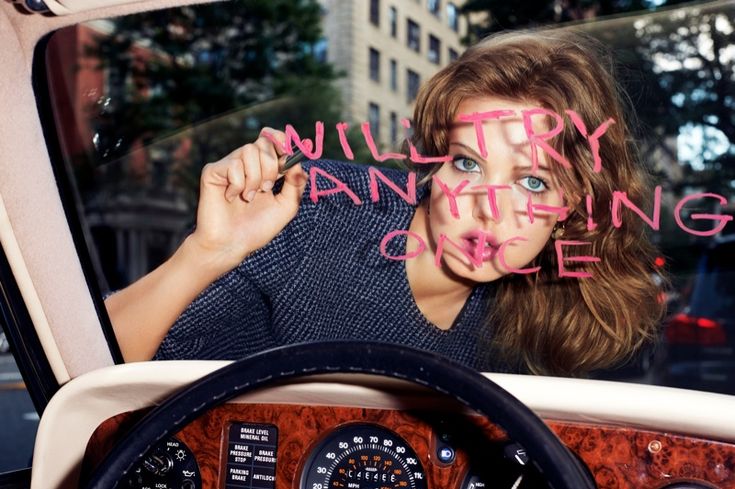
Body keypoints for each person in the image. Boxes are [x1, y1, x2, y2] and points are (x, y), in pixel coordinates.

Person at [105, 29, 664, 376]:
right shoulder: (317, 209)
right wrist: (206, 252)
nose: (490, 209)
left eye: (533, 182)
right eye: (467, 163)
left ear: (570, 204)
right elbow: (87, 369)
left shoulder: (526, 316)